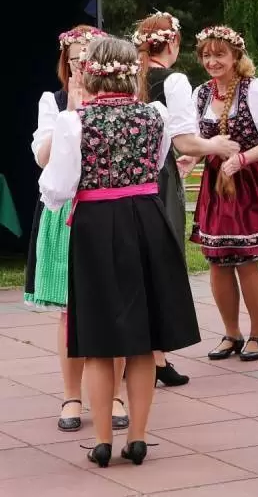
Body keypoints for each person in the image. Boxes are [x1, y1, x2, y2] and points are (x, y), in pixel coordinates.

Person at [38, 36, 200, 467]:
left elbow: (57, 188)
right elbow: (158, 163)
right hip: (147, 219)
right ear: (133, 74)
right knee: (143, 339)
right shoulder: (156, 114)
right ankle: (139, 437)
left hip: (95, 223)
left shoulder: (75, 122)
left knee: (98, 339)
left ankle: (103, 441)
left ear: (91, 73)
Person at [26, 25, 129, 433]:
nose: (83, 68)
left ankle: (116, 394)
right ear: (66, 65)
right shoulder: (52, 102)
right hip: (66, 207)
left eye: (90, 59)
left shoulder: (124, 102)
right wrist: (71, 111)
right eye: (76, 61)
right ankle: (72, 396)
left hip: (110, 206)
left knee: (116, 305)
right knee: (70, 309)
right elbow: (42, 158)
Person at [133, 11, 240, 385]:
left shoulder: (130, 75)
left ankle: (143, 355)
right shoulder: (173, 80)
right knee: (160, 263)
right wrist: (216, 145)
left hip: (125, 178)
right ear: (174, 42)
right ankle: (156, 356)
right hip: (157, 178)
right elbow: (183, 141)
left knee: (135, 264)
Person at [190, 26, 258, 362]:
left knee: (246, 259)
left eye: (219, 54)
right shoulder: (201, 94)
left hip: (252, 180)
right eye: (206, 55)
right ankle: (231, 333)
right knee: (217, 260)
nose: (212, 61)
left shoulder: (254, 88)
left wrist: (241, 159)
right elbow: (198, 140)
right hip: (217, 183)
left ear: (236, 55)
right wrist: (189, 158)